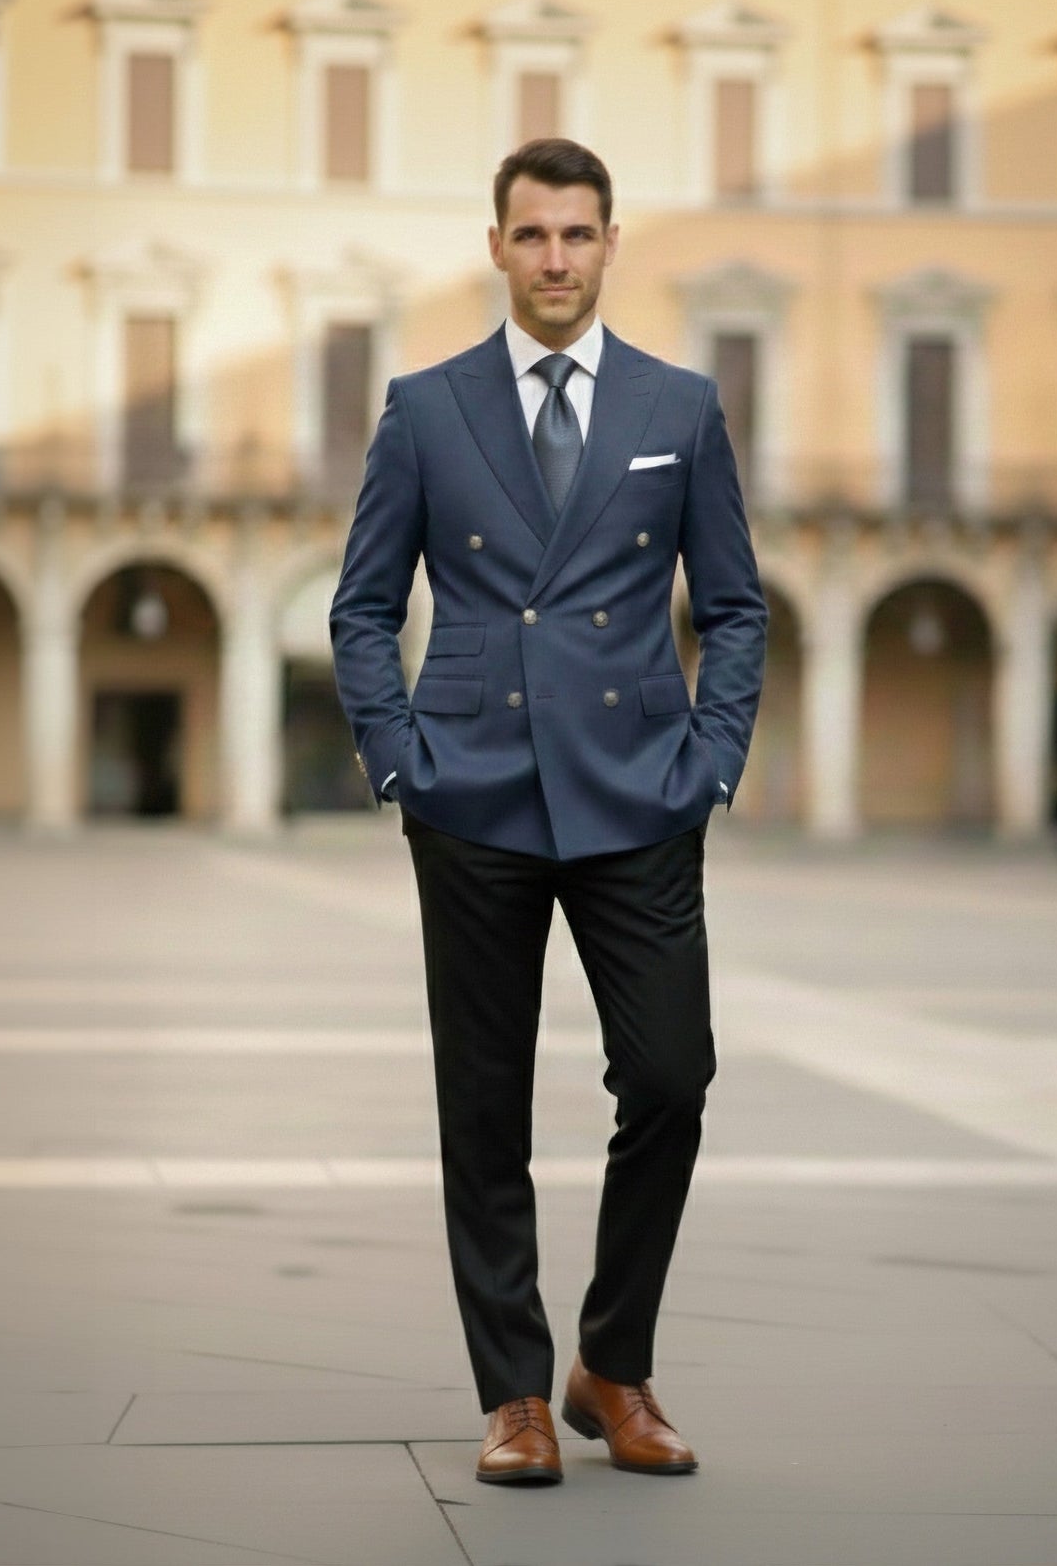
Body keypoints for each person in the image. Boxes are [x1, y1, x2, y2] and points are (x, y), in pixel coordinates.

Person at [329, 138, 767, 1485]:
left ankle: (611, 1364)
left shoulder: (678, 407)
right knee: (483, 1101)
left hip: (638, 792)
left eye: (578, 235)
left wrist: (710, 762)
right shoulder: (425, 406)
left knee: (672, 1078)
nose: (557, 259)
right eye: (533, 236)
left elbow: (735, 607)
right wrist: (401, 760)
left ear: (610, 245)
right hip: (472, 793)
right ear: (497, 248)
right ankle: (514, 1394)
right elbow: (361, 605)